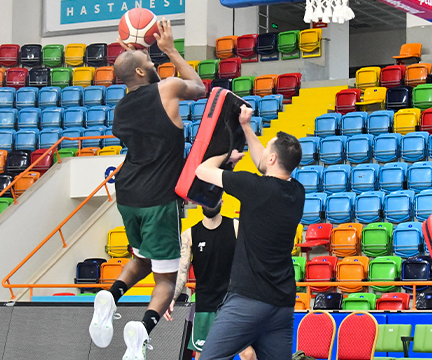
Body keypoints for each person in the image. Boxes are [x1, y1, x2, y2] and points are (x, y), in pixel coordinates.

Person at [88, 18, 206, 360]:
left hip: (127, 196)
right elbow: (198, 87)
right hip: (158, 199)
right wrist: (169, 48)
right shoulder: (166, 89)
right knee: (166, 284)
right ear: (140, 73)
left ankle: (110, 296)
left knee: (139, 258)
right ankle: (142, 332)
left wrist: (135, 58)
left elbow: (134, 79)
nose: (156, 64)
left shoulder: (120, 110)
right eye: (150, 63)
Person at [193, 105, 304, 360]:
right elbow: (263, 164)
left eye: (268, 149)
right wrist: (245, 126)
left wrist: (225, 155)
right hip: (282, 303)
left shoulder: (253, 186)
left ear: (273, 159)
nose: (262, 151)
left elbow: (202, 171)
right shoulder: (297, 192)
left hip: (248, 301)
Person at [163, 199, 256, 360]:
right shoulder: (189, 234)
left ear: (221, 200)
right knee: (202, 356)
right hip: (204, 305)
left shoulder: (236, 226)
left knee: (247, 354)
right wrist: (172, 297)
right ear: (199, 203)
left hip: (232, 302)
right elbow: (182, 272)